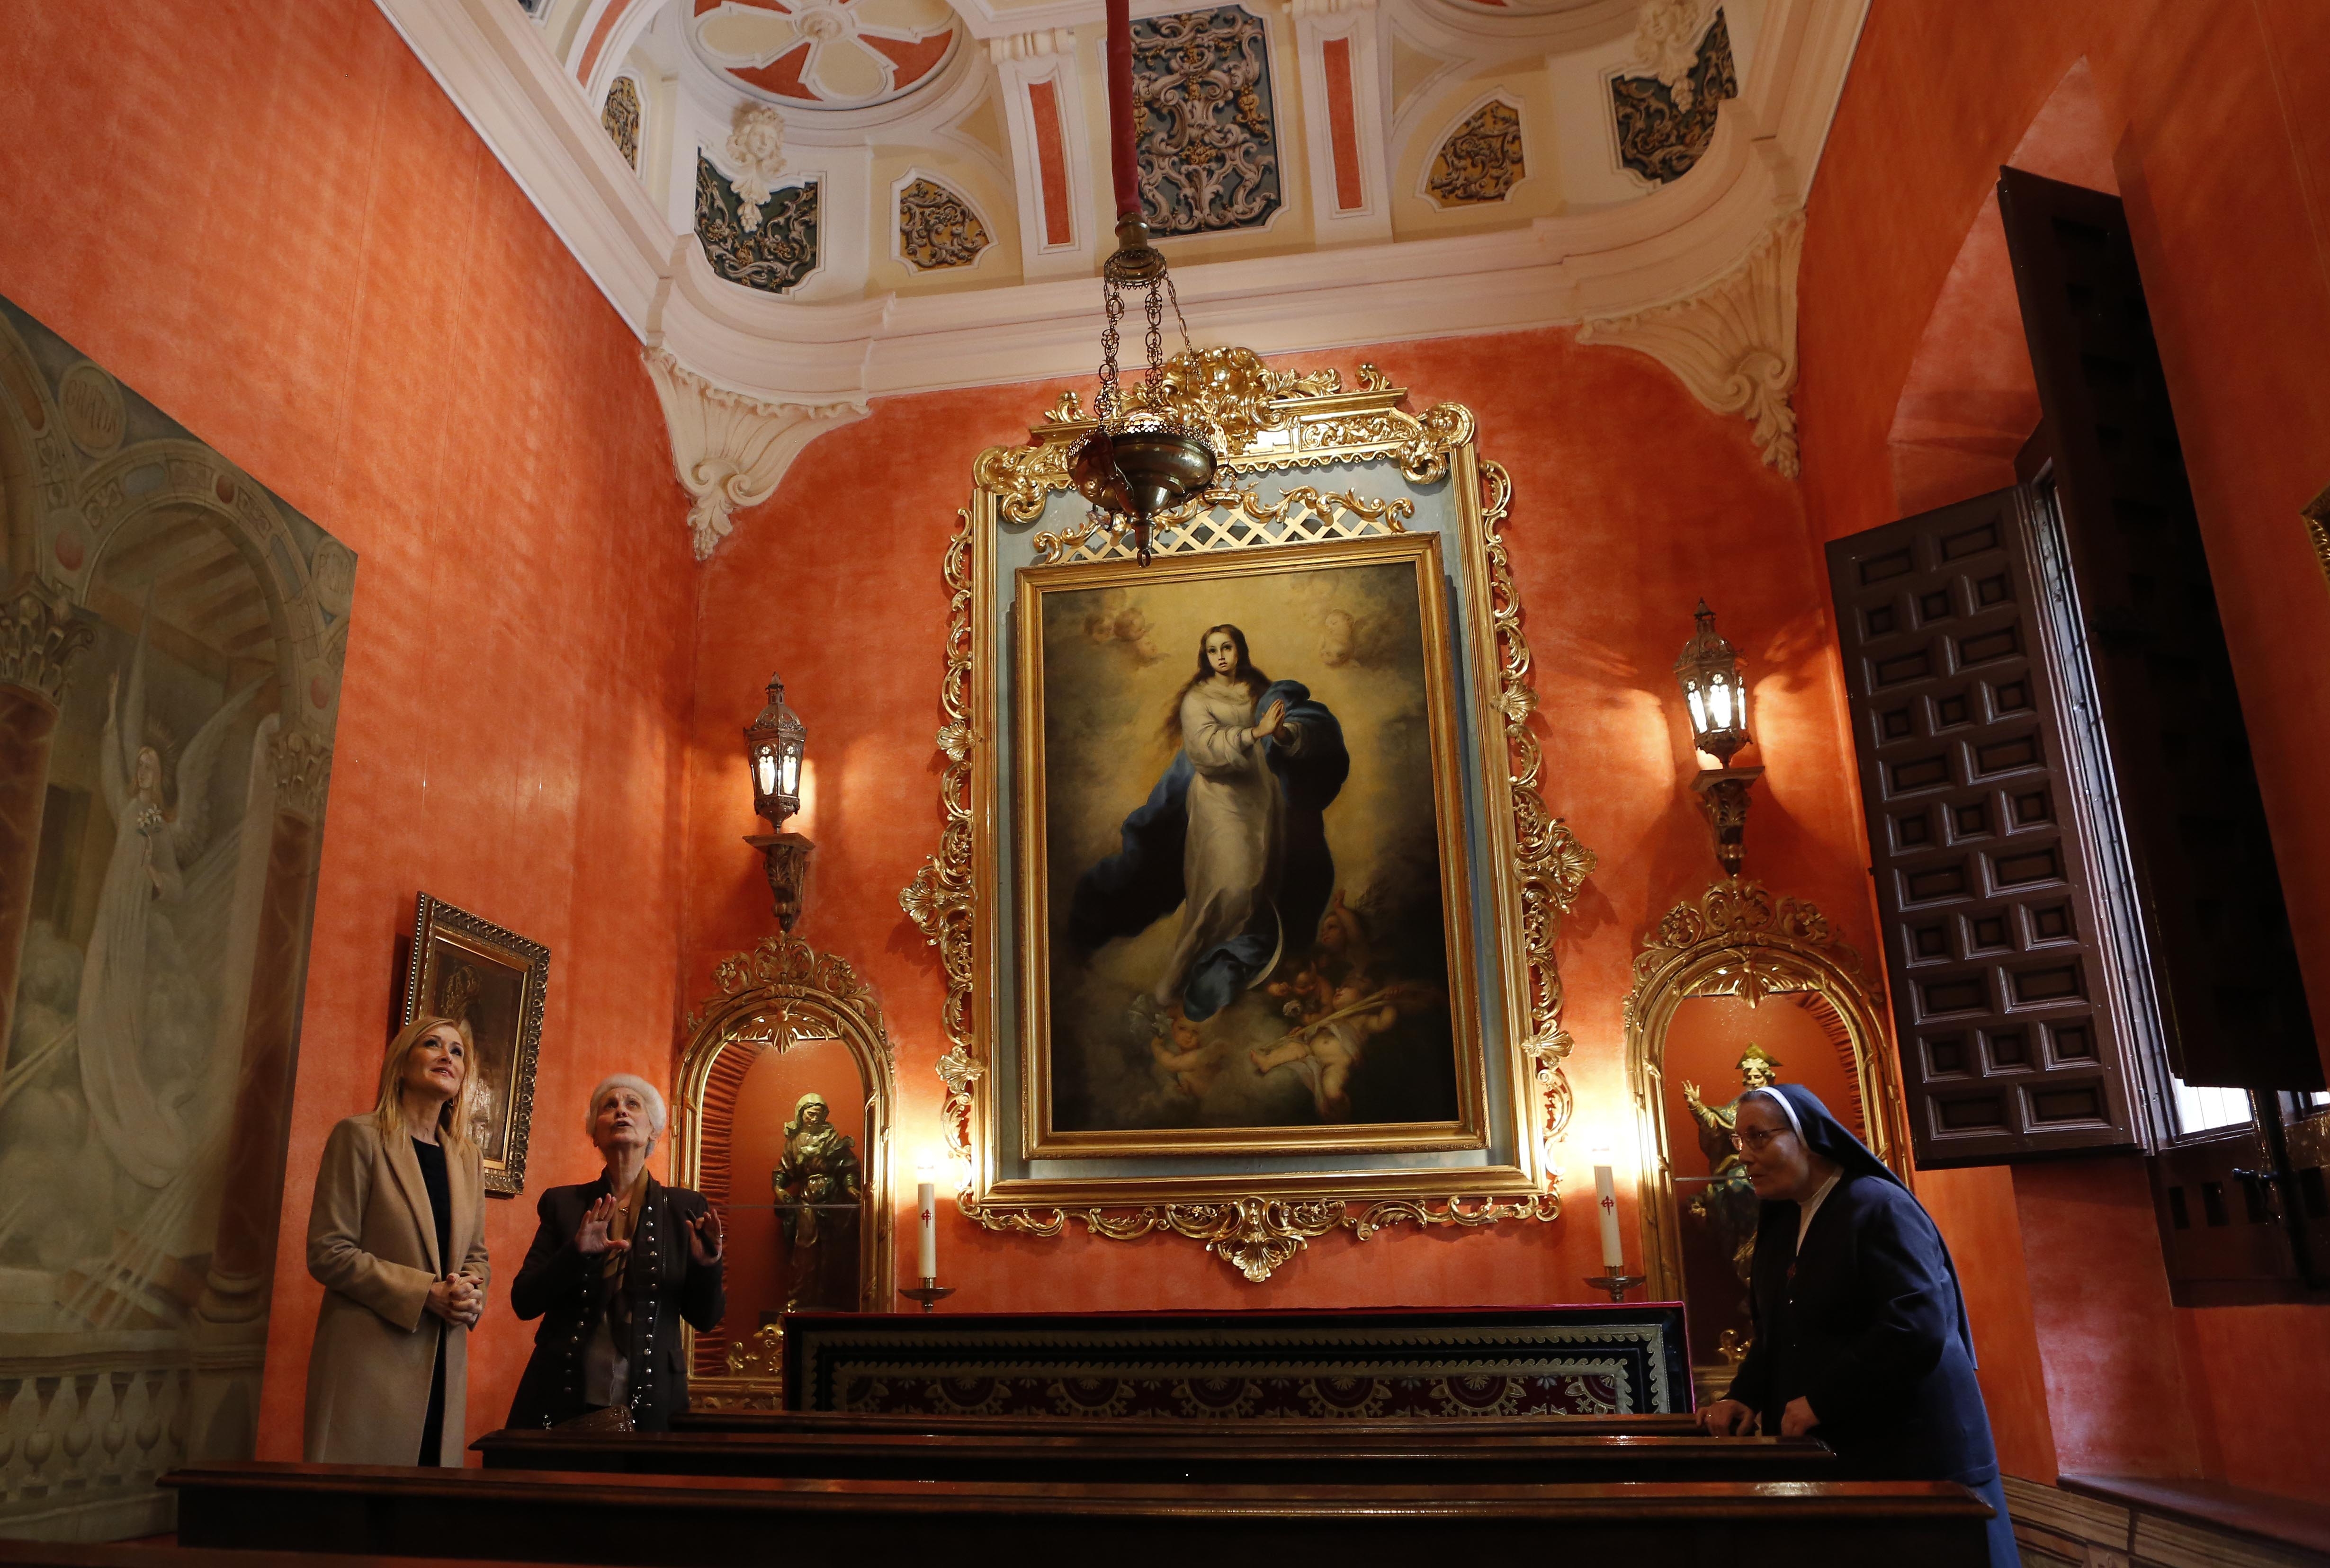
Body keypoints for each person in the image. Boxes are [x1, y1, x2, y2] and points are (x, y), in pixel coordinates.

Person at [1699, 1082, 2020, 1568]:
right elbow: (1778, 1327)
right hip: (1844, 1453)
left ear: (1806, 1135)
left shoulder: (1878, 1205)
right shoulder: (1784, 1218)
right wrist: (1742, 1393)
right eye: (1738, 1142)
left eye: (1758, 1137)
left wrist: (1824, 1401)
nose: (1744, 1155)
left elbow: (1916, 1327)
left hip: (1916, 1454)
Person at [1069, 624, 1348, 1023]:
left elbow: (1283, 733)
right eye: (1213, 650)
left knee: (1253, 888)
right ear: (1205, 657)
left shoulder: (1256, 691)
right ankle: (1174, 983)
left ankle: (1219, 974)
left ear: (1240, 651)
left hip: (1258, 800)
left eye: (1227, 648)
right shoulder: (1198, 700)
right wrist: (1256, 732)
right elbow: (1204, 752)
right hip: (1219, 801)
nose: (1221, 656)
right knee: (1226, 889)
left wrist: (1280, 734)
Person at [303, 1016, 489, 1465]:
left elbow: (476, 1255)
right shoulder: (359, 1136)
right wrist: (425, 1292)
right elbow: (328, 1251)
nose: (448, 1056)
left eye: (458, 1051)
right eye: (433, 1044)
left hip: (445, 1364)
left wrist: (470, 1291)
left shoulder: (467, 1157)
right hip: (369, 1365)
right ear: (402, 1065)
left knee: (425, 1521)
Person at [506, 1075, 725, 1431]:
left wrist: (707, 1264)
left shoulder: (684, 1207)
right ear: (595, 1133)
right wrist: (576, 1254)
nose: (621, 1110)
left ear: (653, 1131)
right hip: (563, 1393)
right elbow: (524, 1301)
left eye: (632, 1104)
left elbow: (706, 1318)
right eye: (610, 1106)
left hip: (654, 1400)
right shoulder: (563, 1203)